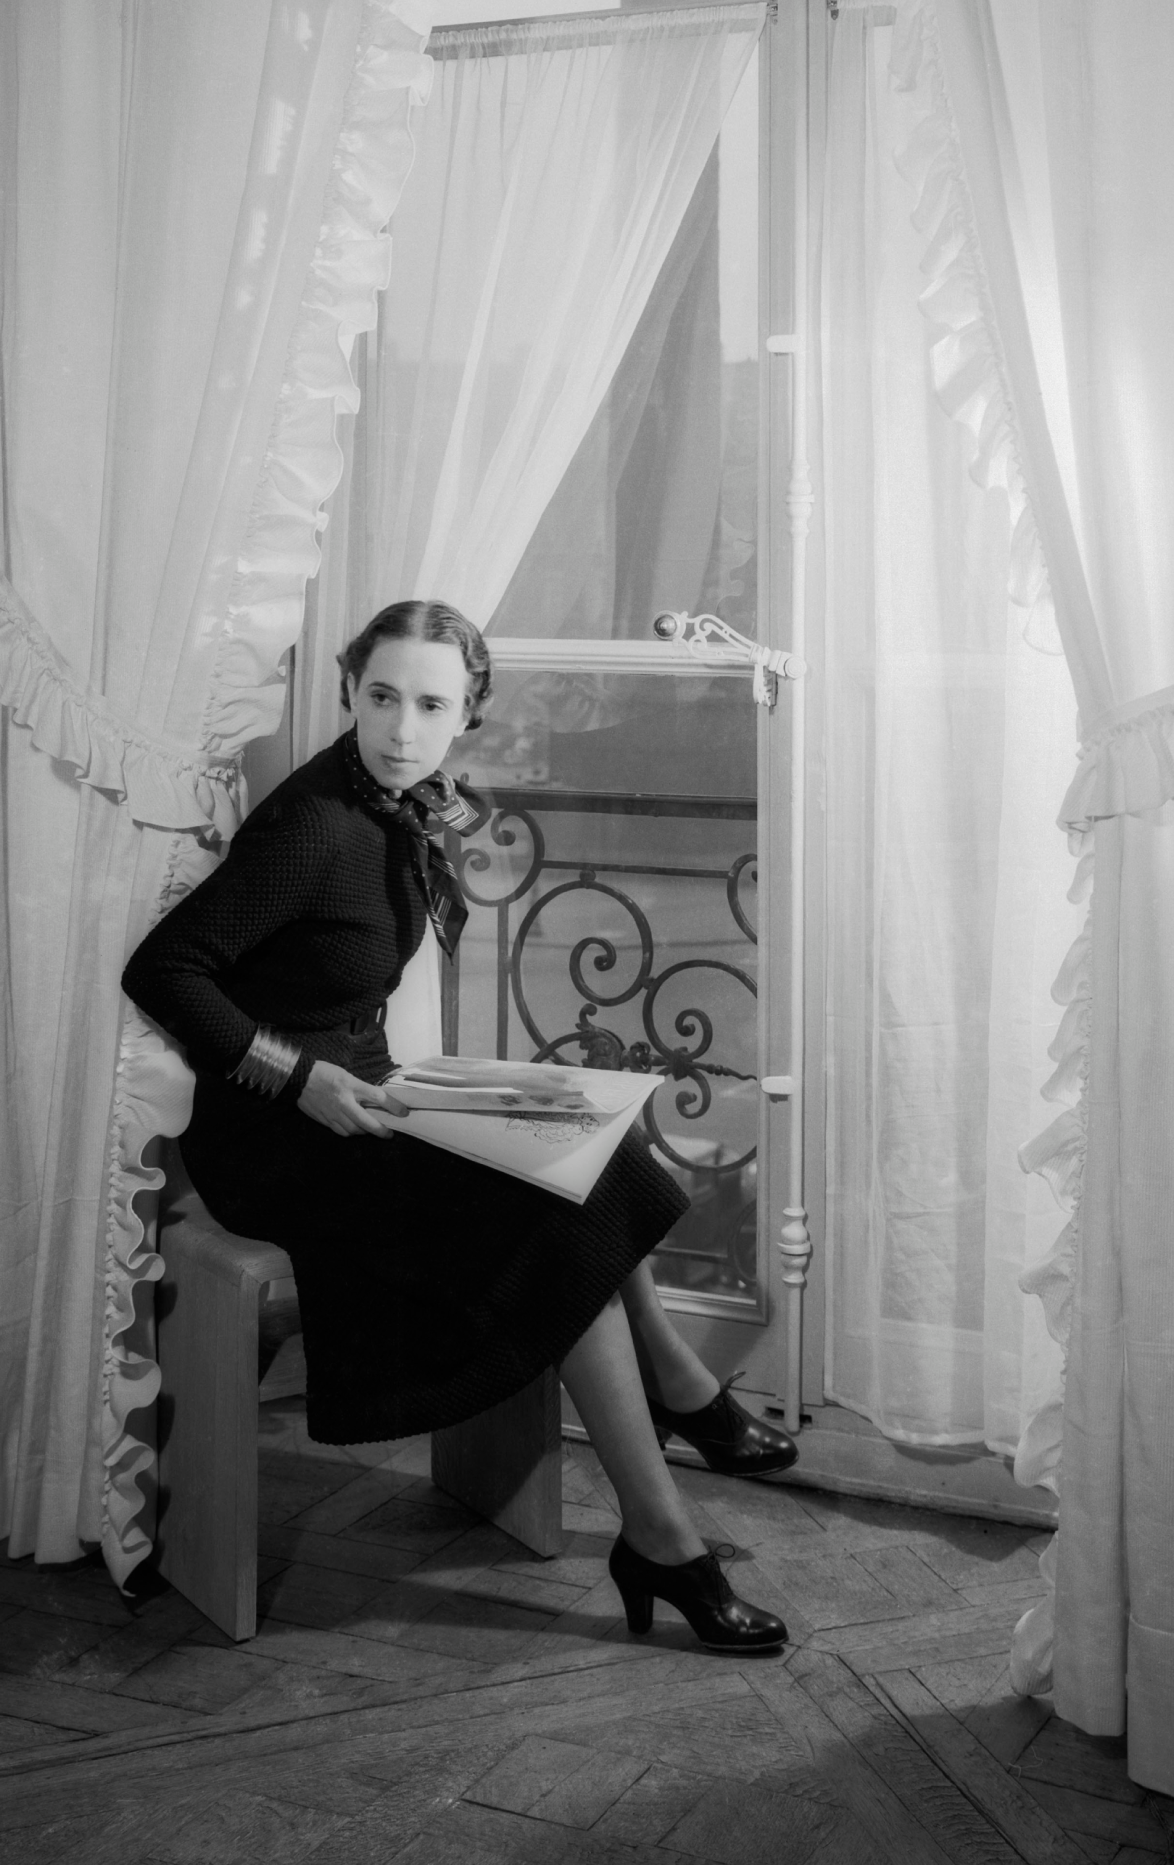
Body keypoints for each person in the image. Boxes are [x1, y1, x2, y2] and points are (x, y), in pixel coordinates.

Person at [122, 596, 797, 1653]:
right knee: (554, 1220)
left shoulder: (403, 803)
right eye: (382, 697)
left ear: (468, 711)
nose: (402, 729)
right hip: (278, 1136)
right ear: (350, 692)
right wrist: (298, 1079)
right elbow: (165, 970)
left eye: (431, 705)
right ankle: (663, 1531)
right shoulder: (312, 824)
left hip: (364, 1096)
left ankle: (677, 1388)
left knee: (592, 1141)